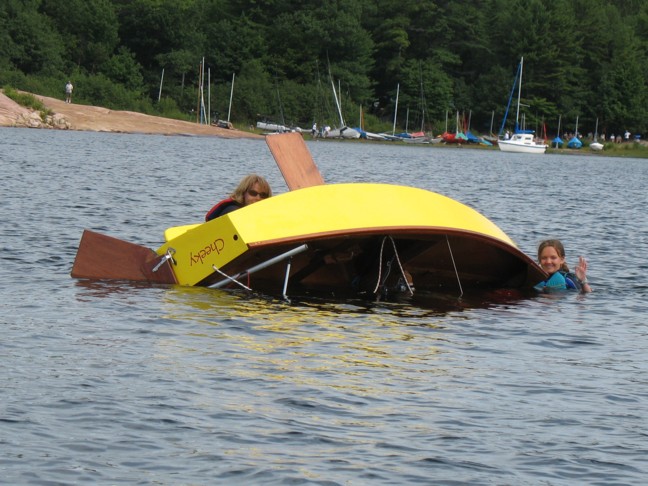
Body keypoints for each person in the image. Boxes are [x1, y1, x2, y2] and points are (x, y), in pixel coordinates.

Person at [205, 174, 272, 221]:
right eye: (253, 193)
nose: (258, 198)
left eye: (263, 195)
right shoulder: (232, 211)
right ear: (243, 193)